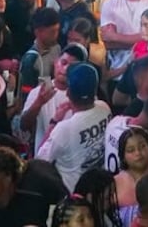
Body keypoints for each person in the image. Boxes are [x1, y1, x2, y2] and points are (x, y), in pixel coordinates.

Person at [37, 62, 112, 192]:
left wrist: (54, 122)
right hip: (99, 190)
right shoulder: (104, 108)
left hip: (75, 196)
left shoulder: (64, 129)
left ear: (68, 93)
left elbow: (39, 162)